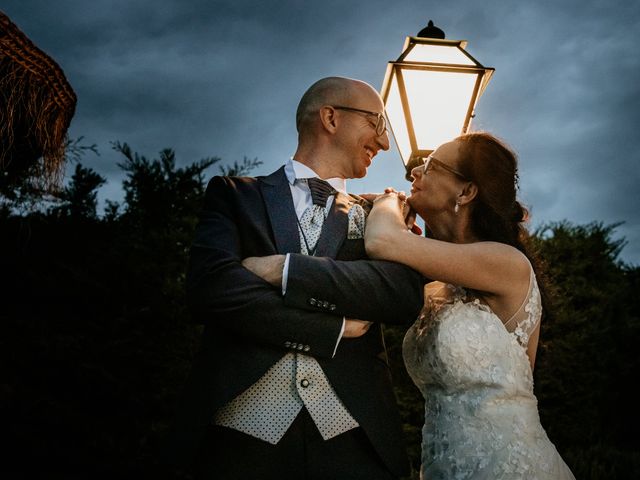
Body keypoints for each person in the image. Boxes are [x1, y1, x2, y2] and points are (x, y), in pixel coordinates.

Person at [168, 76, 424, 479]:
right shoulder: (236, 196)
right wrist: (333, 328)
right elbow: (211, 290)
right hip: (239, 440)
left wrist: (284, 270)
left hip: (353, 440)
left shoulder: (378, 214)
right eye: (376, 123)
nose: (385, 142)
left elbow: (399, 294)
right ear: (330, 118)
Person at [363, 132, 576, 479]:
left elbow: (383, 240)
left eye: (430, 165)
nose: (414, 171)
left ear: (465, 191)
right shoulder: (432, 285)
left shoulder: (506, 264)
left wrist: (387, 202)